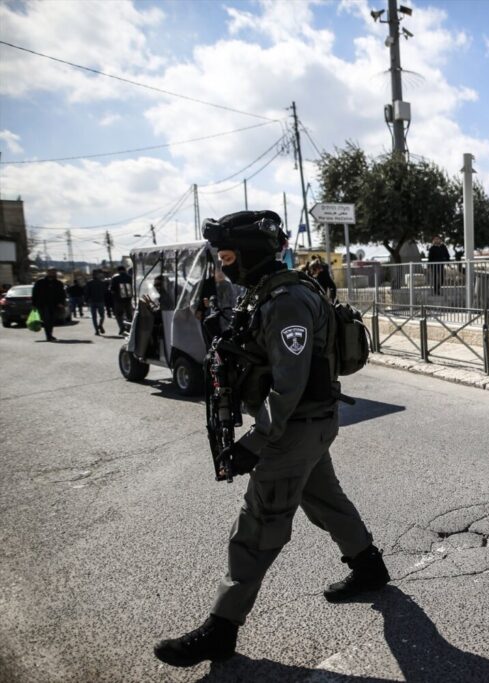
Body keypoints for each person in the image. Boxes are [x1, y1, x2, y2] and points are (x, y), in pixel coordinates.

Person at [154, 210, 389, 668]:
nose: (223, 266)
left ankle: (220, 628)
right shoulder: (267, 292)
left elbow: (289, 384)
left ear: (252, 254)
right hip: (307, 425)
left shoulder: (284, 300)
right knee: (326, 501)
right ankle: (369, 568)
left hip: (291, 429)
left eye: (227, 256)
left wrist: (255, 443)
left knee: (257, 527)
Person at [31, 268, 66, 342]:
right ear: (47, 273)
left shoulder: (58, 283)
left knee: (52, 320)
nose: (53, 274)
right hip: (43, 304)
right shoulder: (40, 282)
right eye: (51, 272)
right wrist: (34, 304)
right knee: (47, 320)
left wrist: (61, 303)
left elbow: (62, 294)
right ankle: (48, 336)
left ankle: (49, 335)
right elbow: (35, 294)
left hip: (54, 305)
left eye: (54, 272)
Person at [110, 265, 134, 336]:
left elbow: (112, 290)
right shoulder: (130, 277)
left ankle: (122, 328)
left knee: (119, 315)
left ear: (118, 271)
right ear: (125, 270)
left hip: (118, 300)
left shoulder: (115, 278)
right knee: (129, 315)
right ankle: (129, 328)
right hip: (129, 299)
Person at [83, 270, 107, 336]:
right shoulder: (102, 283)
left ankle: (96, 330)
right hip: (100, 301)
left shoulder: (89, 283)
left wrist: (86, 300)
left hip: (92, 301)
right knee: (102, 315)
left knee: (94, 317)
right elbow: (105, 292)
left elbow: (87, 293)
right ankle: (100, 325)